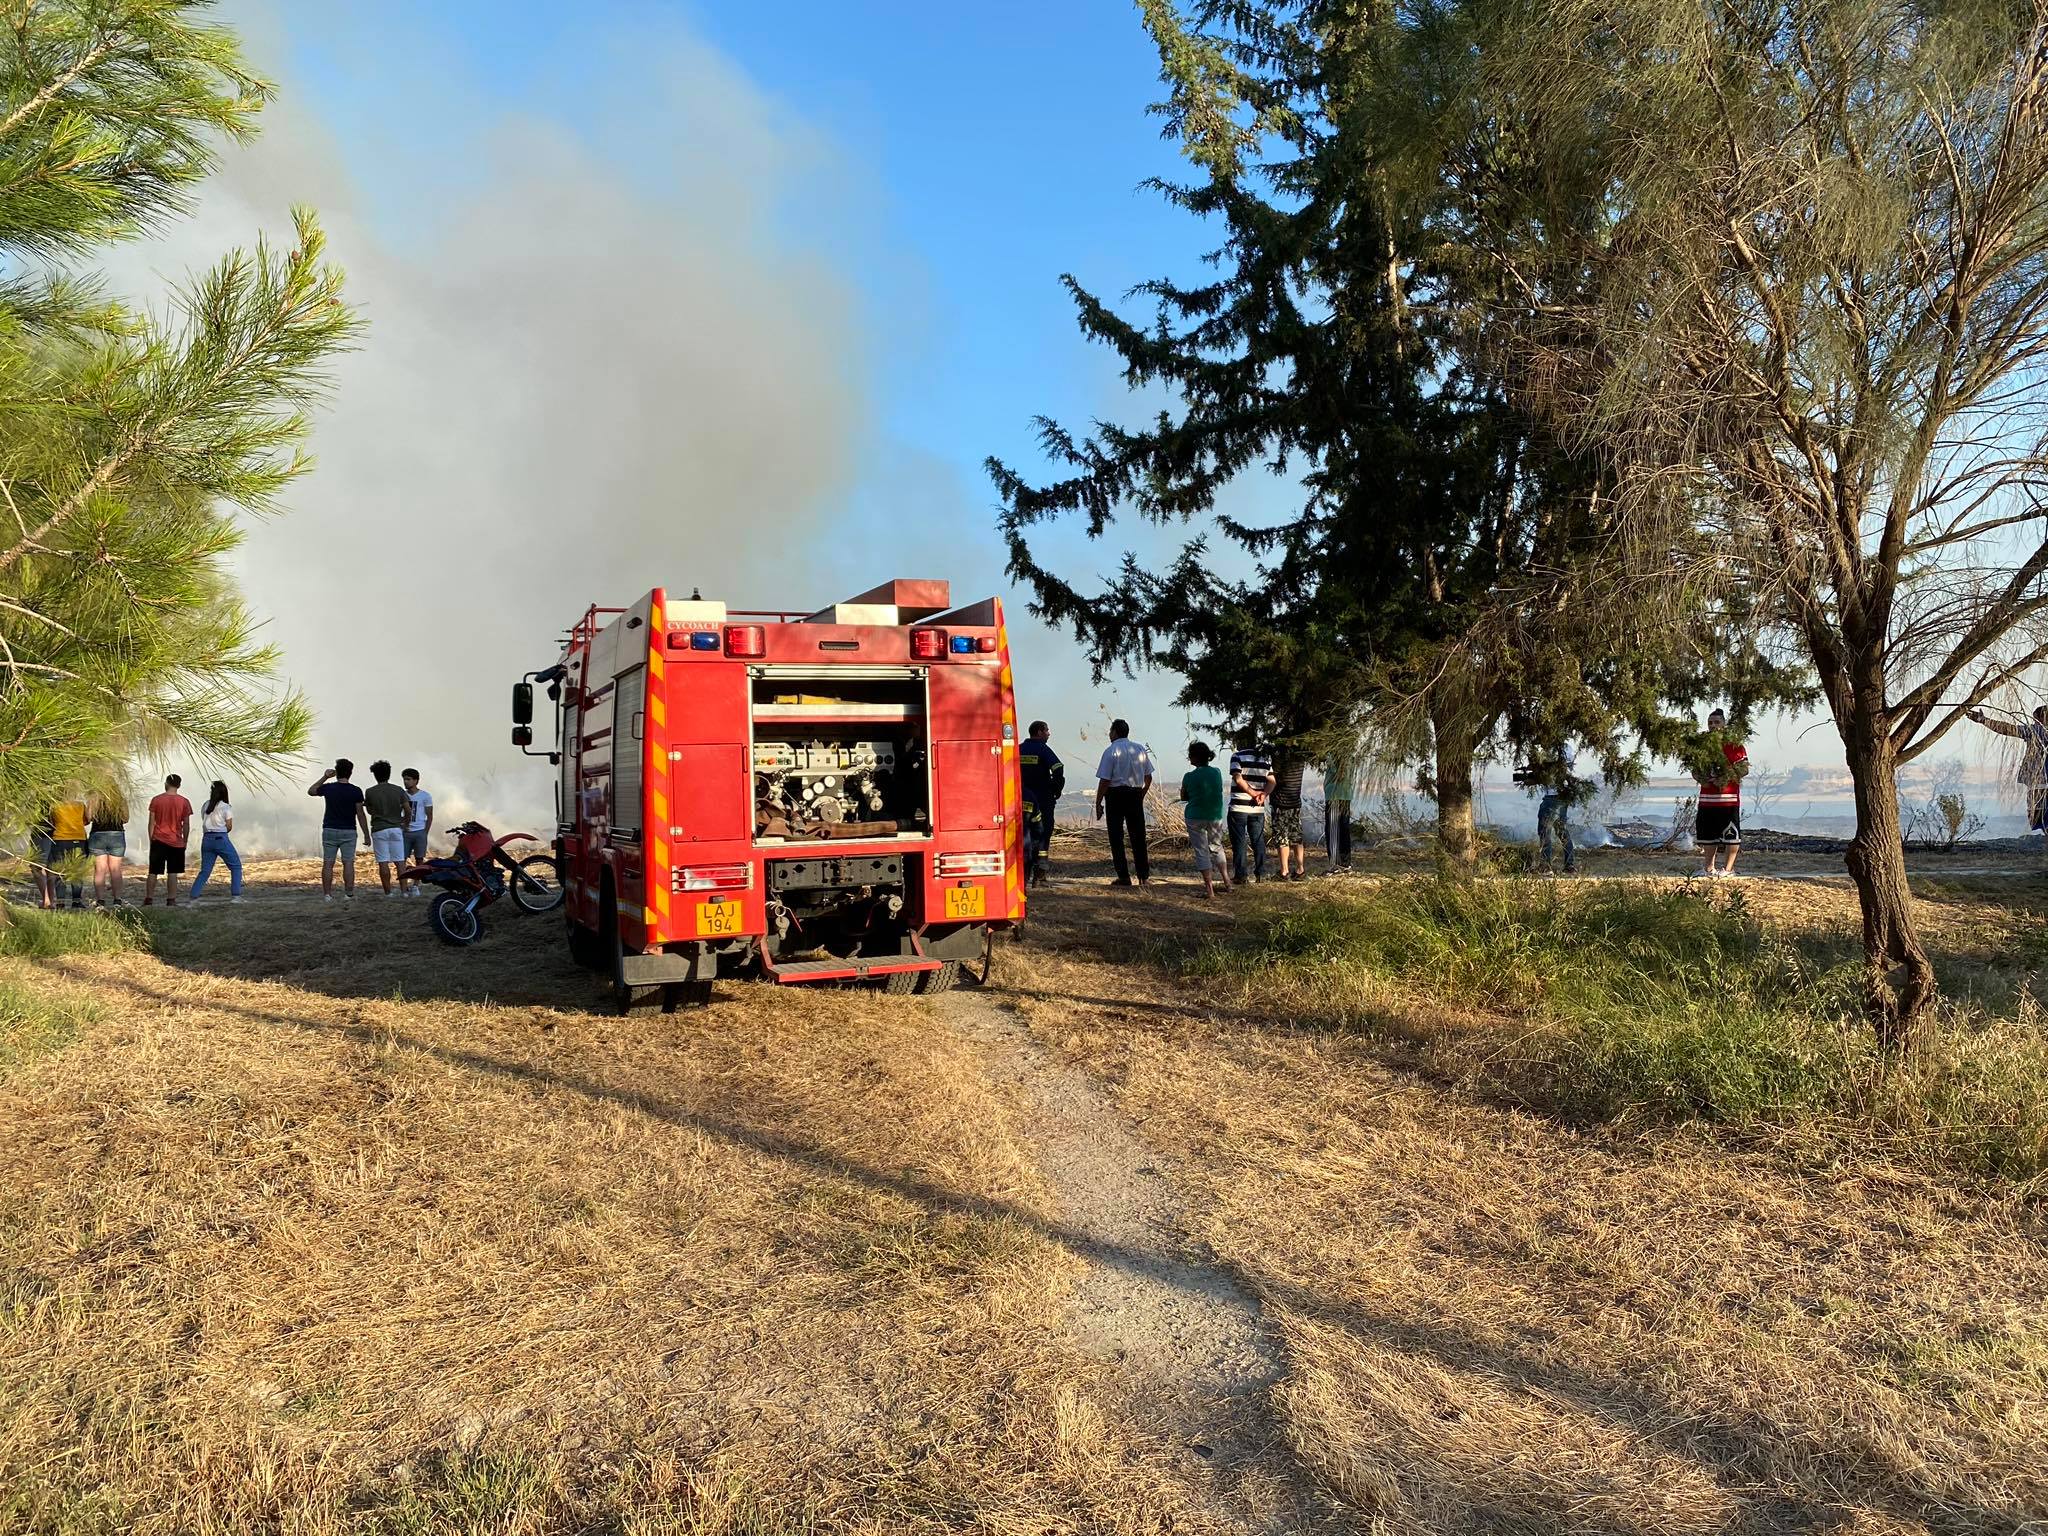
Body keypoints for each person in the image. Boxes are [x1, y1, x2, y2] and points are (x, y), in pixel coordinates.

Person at [1966, 704, 2048, 834]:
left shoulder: (2037, 731)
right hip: (2038, 781)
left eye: (2035, 720)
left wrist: (1984, 720)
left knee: (2041, 817)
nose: (2034, 723)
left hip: (2039, 781)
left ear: (2042, 719)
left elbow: (2008, 729)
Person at [1094, 718, 1155, 888]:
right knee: (1138, 836)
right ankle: (1144, 877)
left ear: (1114, 732)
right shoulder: (1139, 749)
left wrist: (1098, 802)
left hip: (1115, 795)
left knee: (1116, 837)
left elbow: (1105, 780)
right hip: (1135, 794)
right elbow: (1148, 777)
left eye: (1110, 731)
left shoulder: (1111, 751)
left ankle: (1124, 876)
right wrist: (1141, 794)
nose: (1109, 734)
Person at [1692, 709, 1749, 877]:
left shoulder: (1735, 745)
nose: (1713, 726)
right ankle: (1709, 868)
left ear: (1724, 724)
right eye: (1710, 723)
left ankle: (1728, 870)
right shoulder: (1702, 746)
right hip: (1707, 800)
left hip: (1728, 800)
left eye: (1717, 722)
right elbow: (1695, 770)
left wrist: (1725, 778)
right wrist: (1701, 778)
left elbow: (1744, 769)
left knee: (1731, 835)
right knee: (1708, 836)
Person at [308, 759, 370, 900]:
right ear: (350, 773)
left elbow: (311, 791)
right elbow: (360, 814)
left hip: (330, 829)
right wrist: (366, 834)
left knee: (328, 863)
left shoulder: (329, 788)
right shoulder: (356, 791)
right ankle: (348, 893)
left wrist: (325, 777)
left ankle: (327, 895)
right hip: (349, 830)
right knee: (348, 863)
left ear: (336, 773)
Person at [1017, 722, 1065, 888]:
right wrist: (1056, 788)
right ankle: (1040, 873)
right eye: (1046, 730)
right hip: (1042, 800)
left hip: (1019, 799)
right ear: (1039, 732)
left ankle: (1022, 876)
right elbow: (1058, 768)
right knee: (1043, 834)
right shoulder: (1043, 749)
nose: (1048, 734)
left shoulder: (1018, 749)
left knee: (1023, 834)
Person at [1179, 741, 1229, 898]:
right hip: (1214, 815)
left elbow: (1184, 796)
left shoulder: (1188, 776)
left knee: (1201, 851)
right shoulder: (1217, 772)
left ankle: (1210, 890)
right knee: (1217, 847)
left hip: (1194, 816)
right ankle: (1227, 881)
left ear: (1195, 757)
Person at [188, 780, 244, 904]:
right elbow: (229, 826)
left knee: (205, 871)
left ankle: (194, 896)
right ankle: (236, 896)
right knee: (236, 866)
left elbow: (204, 820)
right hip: (220, 838)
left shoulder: (205, 805)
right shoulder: (226, 807)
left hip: (207, 839)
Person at [1226, 740, 1273, 885]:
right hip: (1257, 808)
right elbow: (1272, 781)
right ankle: (1261, 874)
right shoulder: (1265, 759)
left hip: (1239, 807)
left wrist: (1253, 793)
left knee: (1239, 842)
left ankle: (1241, 875)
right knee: (1258, 840)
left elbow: (1237, 778)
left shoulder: (1237, 756)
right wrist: (1263, 795)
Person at [363, 760, 412, 897]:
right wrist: (405, 823)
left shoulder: (370, 791)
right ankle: (404, 891)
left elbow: (369, 811)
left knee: (383, 862)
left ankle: (388, 892)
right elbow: (408, 810)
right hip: (396, 828)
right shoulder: (398, 790)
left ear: (375, 775)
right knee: (400, 861)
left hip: (379, 828)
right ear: (389, 774)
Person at [144, 774, 193, 907]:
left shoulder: (156, 800)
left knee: (153, 871)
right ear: (179, 785)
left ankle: (149, 898)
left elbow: (151, 822)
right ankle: (171, 899)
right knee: (172, 872)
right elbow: (186, 824)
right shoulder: (184, 802)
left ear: (166, 783)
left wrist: (151, 838)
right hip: (176, 841)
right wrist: (185, 840)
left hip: (158, 839)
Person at [1535, 744, 1580, 876]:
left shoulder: (1554, 748)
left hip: (1552, 797)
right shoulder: (1567, 748)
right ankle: (1569, 866)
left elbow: (1547, 771)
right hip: (1563, 797)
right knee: (1562, 831)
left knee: (1545, 832)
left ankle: (1546, 867)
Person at [42, 795, 89, 909]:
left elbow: (51, 822)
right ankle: (76, 901)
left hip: (60, 839)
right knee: (77, 871)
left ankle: (60, 901)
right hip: (78, 839)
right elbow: (86, 821)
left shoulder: (55, 806)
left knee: (60, 871)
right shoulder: (81, 805)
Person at [85, 785, 129, 906]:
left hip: (98, 834)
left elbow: (88, 817)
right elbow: (126, 818)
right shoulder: (120, 799)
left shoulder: (94, 798)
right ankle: (117, 899)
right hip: (116, 834)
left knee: (100, 870)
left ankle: (100, 900)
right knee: (115, 869)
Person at [1269, 745, 1308, 880]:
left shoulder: (1279, 757)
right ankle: (1300, 869)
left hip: (1280, 802)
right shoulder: (1300, 756)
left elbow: (1275, 778)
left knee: (1282, 837)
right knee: (1296, 836)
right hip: (1295, 802)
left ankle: (1284, 871)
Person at [400, 768, 434, 893]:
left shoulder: (425, 796)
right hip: (405, 832)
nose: (406, 782)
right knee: (401, 859)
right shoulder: (402, 795)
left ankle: (416, 884)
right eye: (404, 779)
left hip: (419, 831)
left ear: (416, 780)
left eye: (408, 779)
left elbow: (429, 815)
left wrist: (425, 832)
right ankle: (404, 886)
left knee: (419, 859)